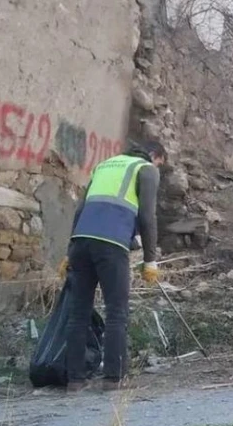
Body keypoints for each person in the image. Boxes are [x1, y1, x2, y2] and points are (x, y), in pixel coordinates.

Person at [60, 140, 166, 392]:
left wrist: (69, 252)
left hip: (81, 242)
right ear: (154, 155)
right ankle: (112, 378)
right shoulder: (146, 169)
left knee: (78, 314)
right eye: (160, 162)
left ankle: (74, 380)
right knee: (116, 312)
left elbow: (81, 211)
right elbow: (147, 216)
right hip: (111, 245)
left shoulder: (104, 166)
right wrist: (150, 260)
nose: (158, 167)